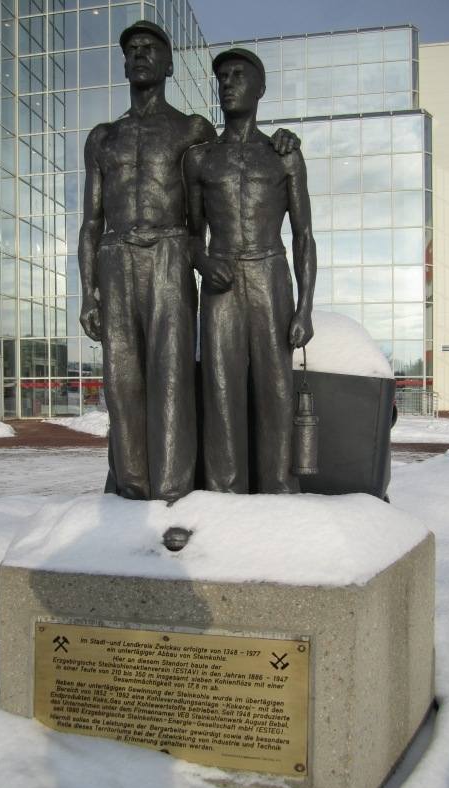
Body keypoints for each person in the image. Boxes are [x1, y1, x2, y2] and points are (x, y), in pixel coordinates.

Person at [79, 22, 299, 502]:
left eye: (150, 48)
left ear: (169, 64)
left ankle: (175, 489)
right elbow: (90, 222)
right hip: (116, 256)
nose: (139, 55)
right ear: (123, 62)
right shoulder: (103, 137)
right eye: (131, 49)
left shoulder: (193, 130)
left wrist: (281, 140)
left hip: (171, 252)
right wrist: (85, 293)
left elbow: (211, 203)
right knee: (121, 384)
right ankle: (130, 489)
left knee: (172, 378)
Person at [184, 48, 317, 494]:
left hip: (270, 274)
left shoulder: (283, 154)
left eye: (239, 75)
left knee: (276, 391)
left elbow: (304, 236)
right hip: (221, 283)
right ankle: (225, 493)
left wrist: (305, 308)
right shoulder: (200, 159)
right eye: (222, 76)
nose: (228, 82)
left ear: (260, 88)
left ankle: (280, 490)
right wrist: (202, 261)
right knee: (221, 392)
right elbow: (188, 234)